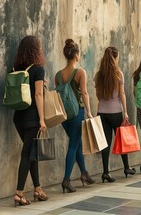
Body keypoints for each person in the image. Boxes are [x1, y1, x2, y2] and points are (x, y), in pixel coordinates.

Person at [12, 35, 48, 206]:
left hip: (18, 118)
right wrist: (42, 119)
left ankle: (38, 188)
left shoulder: (16, 68)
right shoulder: (39, 69)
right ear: (36, 50)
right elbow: (38, 94)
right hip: (32, 119)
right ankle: (19, 192)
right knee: (27, 153)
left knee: (31, 152)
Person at [55, 39, 95, 193]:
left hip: (64, 116)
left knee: (76, 142)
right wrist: (89, 112)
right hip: (77, 112)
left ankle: (84, 173)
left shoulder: (58, 75)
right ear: (76, 55)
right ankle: (66, 180)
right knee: (73, 145)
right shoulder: (80, 73)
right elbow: (84, 93)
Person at [94, 47, 136, 182]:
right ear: (115, 58)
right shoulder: (118, 74)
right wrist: (126, 112)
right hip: (115, 112)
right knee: (121, 139)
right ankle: (127, 167)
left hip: (102, 112)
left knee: (105, 143)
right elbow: (122, 94)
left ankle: (106, 172)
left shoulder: (98, 75)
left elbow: (97, 95)